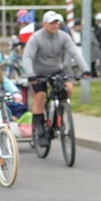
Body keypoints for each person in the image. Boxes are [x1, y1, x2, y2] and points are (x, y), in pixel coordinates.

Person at [22, 10, 90, 147]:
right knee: (40, 97)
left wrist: (85, 68)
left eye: (57, 22)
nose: (55, 25)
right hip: (38, 73)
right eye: (52, 22)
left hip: (56, 70)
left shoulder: (64, 37)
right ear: (44, 24)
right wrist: (30, 74)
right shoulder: (36, 38)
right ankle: (40, 131)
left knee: (68, 88)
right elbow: (27, 57)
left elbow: (75, 53)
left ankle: (60, 111)